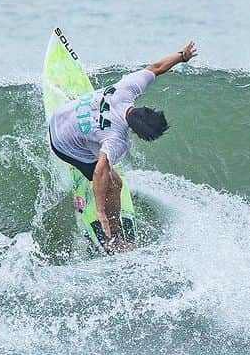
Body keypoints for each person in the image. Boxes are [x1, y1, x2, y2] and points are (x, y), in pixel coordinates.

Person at [48, 40, 197, 251]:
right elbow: (101, 171)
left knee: (101, 151)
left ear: (145, 108)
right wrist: (101, 210)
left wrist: (182, 56)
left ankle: (86, 140)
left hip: (60, 115)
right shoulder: (117, 139)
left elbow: (155, 68)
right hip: (62, 144)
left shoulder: (128, 88)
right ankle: (114, 239)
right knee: (115, 183)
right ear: (139, 134)